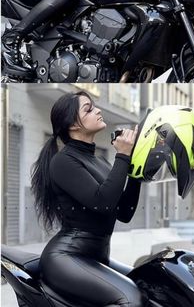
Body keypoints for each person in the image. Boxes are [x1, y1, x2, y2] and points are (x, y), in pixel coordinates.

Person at [31, 91, 143, 307]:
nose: (98, 110)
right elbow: (103, 203)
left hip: (96, 257)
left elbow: (124, 213)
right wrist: (122, 156)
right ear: (73, 124)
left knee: (151, 281)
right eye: (89, 109)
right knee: (130, 299)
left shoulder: (100, 161)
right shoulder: (63, 162)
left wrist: (136, 169)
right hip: (66, 258)